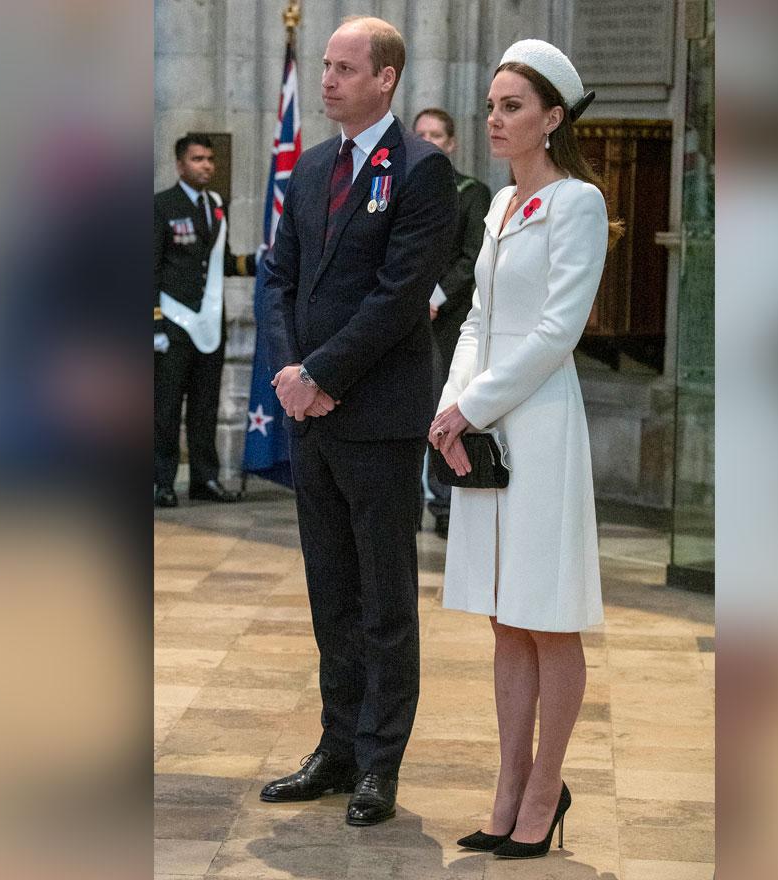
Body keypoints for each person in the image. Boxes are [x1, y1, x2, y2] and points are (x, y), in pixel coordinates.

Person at [257, 17, 457, 826]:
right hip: (313, 417)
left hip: (376, 417)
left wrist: (325, 374)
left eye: (346, 68)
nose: (331, 80)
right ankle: (336, 746)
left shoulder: (421, 169)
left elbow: (401, 295)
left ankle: (380, 761)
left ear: (387, 79)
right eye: (326, 67)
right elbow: (278, 277)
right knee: (330, 594)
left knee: (383, 599)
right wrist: (292, 377)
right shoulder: (309, 169)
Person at [427, 39, 621, 860]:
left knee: (549, 619)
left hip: (538, 423)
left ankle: (547, 788)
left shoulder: (576, 201)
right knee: (507, 619)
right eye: (492, 105)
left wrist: (475, 403)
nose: (495, 119)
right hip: (485, 420)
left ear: (552, 119)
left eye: (513, 106)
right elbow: (474, 318)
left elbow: (555, 331)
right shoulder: (502, 207)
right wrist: (450, 409)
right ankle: (506, 788)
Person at [153, 133, 256, 507]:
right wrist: (155, 325)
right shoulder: (161, 206)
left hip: (210, 322)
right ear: (180, 164)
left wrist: (255, 262)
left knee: (205, 406)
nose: (206, 166)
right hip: (173, 322)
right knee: (164, 408)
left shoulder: (216, 205)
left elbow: (221, 261)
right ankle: (160, 481)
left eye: (209, 159)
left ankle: (205, 478)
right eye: (198, 159)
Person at [412, 107, 493, 538]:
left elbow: (472, 255)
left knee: (446, 402)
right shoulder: (402, 188)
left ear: (452, 143)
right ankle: (411, 498)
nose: (428, 140)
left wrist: (434, 296)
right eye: (420, 133)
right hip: (405, 318)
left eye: (437, 134)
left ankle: (443, 501)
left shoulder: (471, 192)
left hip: (451, 319)